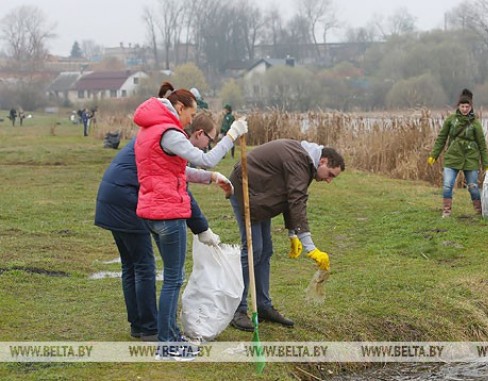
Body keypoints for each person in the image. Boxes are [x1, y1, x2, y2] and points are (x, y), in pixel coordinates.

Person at [133, 81, 248, 358]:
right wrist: (231, 135)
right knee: (173, 279)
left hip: (151, 211)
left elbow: (178, 171)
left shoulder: (149, 130)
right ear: (180, 107)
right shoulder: (169, 132)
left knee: (172, 278)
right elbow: (206, 159)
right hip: (169, 214)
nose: (189, 119)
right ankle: (169, 344)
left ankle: (170, 337)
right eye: (189, 112)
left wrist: (210, 179)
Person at [95, 111, 231, 344]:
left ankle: (140, 326)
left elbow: (181, 173)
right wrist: (202, 228)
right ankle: (154, 330)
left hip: (118, 199)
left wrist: (210, 177)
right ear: (199, 133)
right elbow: (180, 186)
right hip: (134, 203)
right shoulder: (170, 139)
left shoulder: (152, 134)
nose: (210, 144)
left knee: (132, 266)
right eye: (210, 138)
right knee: (153, 270)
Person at [228, 139, 345, 332]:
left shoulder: (305, 162)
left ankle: (263, 306)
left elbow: (292, 196)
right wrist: (311, 248)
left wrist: (293, 233)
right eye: (330, 174)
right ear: (323, 161)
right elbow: (296, 200)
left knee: (265, 251)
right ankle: (237, 310)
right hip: (244, 188)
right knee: (252, 250)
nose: (329, 180)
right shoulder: (300, 161)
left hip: (261, 195)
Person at [427, 89, 488, 218]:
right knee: (447, 185)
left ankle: (479, 212)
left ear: (471, 107)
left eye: (467, 106)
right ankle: (446, 211)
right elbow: (441, 138)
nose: (465, 109)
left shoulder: (475, 124)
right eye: (462, 106)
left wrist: (486, 164)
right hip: (452, 156)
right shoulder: (451, 120)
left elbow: (482, 146)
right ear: (458, 106)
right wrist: (434, 155)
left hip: (470, 158)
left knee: (473, 187)